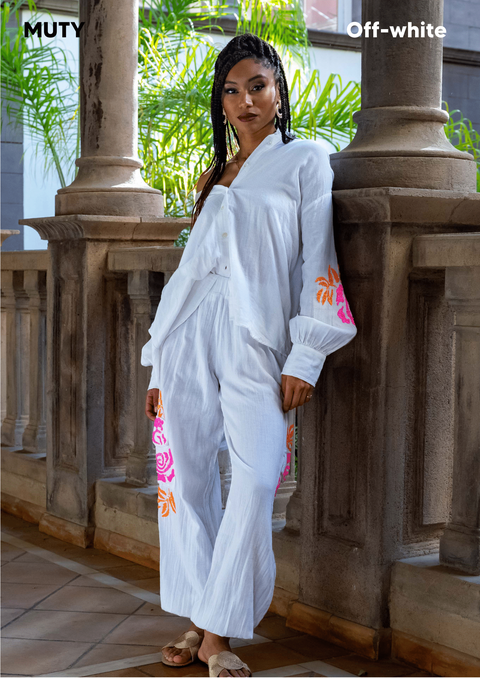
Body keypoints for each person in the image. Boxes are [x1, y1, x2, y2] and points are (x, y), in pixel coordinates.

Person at [141, 33, 357, 678]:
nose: (244, 101)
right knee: (183, 477)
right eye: (231, 91)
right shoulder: (216, 175)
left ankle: (212, 626)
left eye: (256, 86)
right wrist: (156, 359)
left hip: (254, 342)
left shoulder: (305, 160)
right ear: (222, 101)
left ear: (279, 90)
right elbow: (187, 273)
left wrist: (306, 355)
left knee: (260, 475)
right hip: (185, 340)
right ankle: (210, 628)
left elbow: (317, 258)